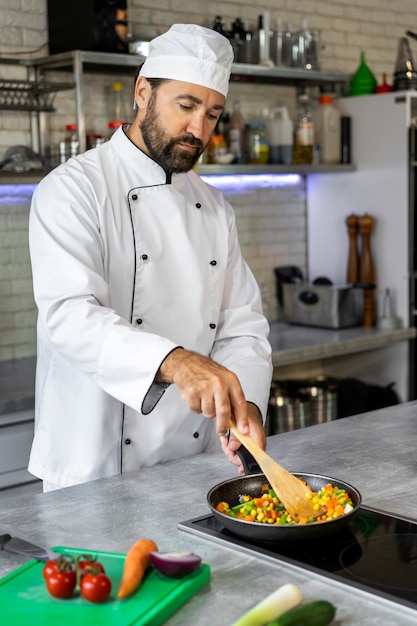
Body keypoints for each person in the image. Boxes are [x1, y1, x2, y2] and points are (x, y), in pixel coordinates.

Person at [28, 23, 273, 491]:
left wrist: (246, 410)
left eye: (214, 114)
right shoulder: (73, 189)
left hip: (194, 467)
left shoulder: (215, 207)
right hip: (94, 470)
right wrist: (177, 362)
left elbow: (241, 323)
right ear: (143, 91)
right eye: (186, 106)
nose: (199, 129)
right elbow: (70, 316)